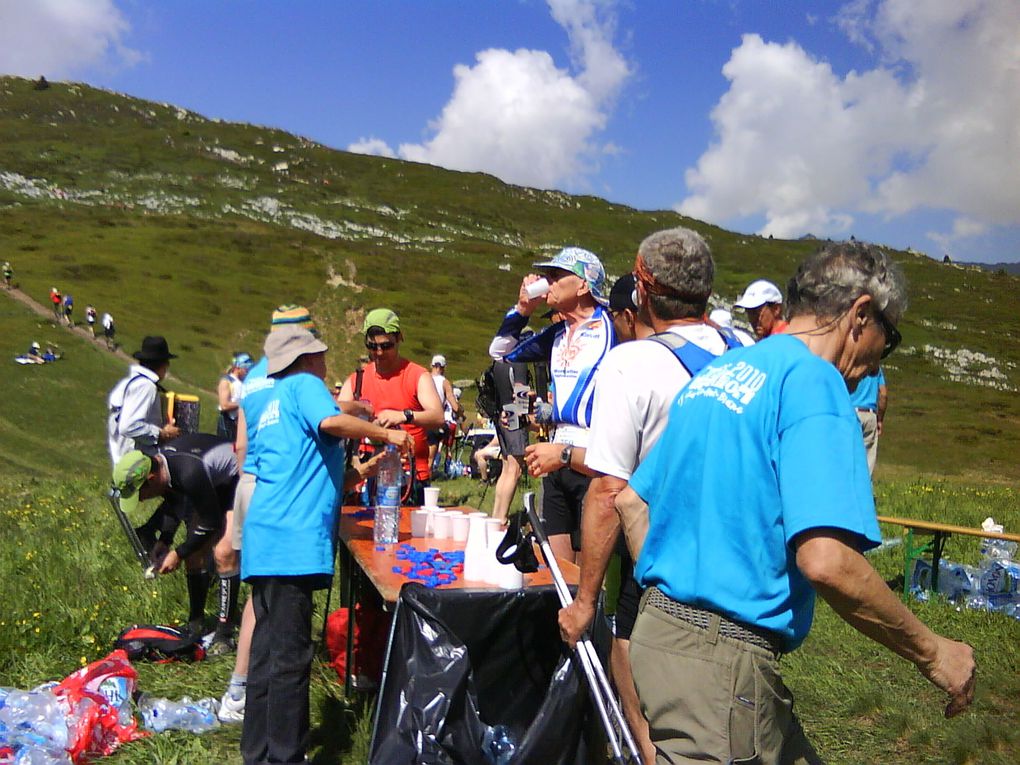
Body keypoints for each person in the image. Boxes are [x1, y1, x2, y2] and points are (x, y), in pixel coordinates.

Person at [617, 241, 975, 763]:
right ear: (860, 315)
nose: (877, 361)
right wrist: (934, 652)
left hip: (659, 639)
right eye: (887, 338)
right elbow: (826, 561)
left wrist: (673, 602)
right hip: (722, 664)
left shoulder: (722, 374)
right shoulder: (814, 381)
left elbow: (631, 502)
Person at [559, 230, 741, 764]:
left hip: (663, 555)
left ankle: (649, 754)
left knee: (628, 650)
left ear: (641, 285)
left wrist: (586, 601)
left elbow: (609, 488)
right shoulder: (746, 349)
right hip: (738, 551)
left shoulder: (632, 362)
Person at [239, 325, 411, 765]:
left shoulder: (264, 400)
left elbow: (295, 467)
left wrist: (365, 471)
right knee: (292, 659)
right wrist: (386, 433)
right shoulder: (304, 385)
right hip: (293, 540)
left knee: (266, 653)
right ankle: (286, 756)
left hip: (265, 534)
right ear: (304, 359)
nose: (323, 362)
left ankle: (255, 751)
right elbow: (332, 421)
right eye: (318, 355)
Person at [490, 246, 615, 561]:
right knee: (557, 571)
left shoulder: (614, 327)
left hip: (592, 458)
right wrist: (522, 309)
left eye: (558, 275)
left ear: (584, 285)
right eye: (547, 275)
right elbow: (500, 350)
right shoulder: (558, 333)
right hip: (554, 455)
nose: (549, 281)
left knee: (591, 572)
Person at [112, 433, 240, 647]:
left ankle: (224, 634)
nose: (141, 500)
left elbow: (211, 522)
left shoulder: (188, 471)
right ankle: (195, 623)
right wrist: (165, 541)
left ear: (151, 479)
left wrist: (178, 554)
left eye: (139, 494)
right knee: (194, 555)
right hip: (211, 482)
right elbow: (176, 500)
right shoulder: (164, 467)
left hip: (237, 479)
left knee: (224, 552)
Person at [338, 308, 444, 504]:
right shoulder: (358, 379)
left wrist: (404, 415)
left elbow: (437, 417)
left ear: (399, 339)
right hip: (364, 476)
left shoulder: (416, 375)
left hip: (409, 479)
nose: (379, 353)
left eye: (386, 346)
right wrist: (357, 409)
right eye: (372, 346)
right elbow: (334, 415)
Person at [106, 336, 181, 465]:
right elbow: (128, 426)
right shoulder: (146, 386)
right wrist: (162, 433)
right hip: (135, 461)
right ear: (164, 365)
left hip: (123, 457)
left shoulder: (129, 382)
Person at [427, 354, 462, 477]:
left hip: (420, 418)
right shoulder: (445, 382)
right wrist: (460, 413)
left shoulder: (424, 378)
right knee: (430, 459)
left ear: (432, 365)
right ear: (443, 367)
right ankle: (426, 483)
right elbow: (454, 406)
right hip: (434, 420)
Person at [850, 367, 887, 475]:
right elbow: (883, 394)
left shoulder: (851, 363)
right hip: (870, 414)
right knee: (868, 461)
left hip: (851, 412)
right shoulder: (875, 367)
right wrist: (880, 419)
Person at [217, 353, 254, 442]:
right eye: (246, 369)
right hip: (228, 422)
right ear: (238, 368)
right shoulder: (227, 381)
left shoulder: (244, 383)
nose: (247, 372)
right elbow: (224, 405)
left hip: (240, 423)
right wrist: (243, 403)